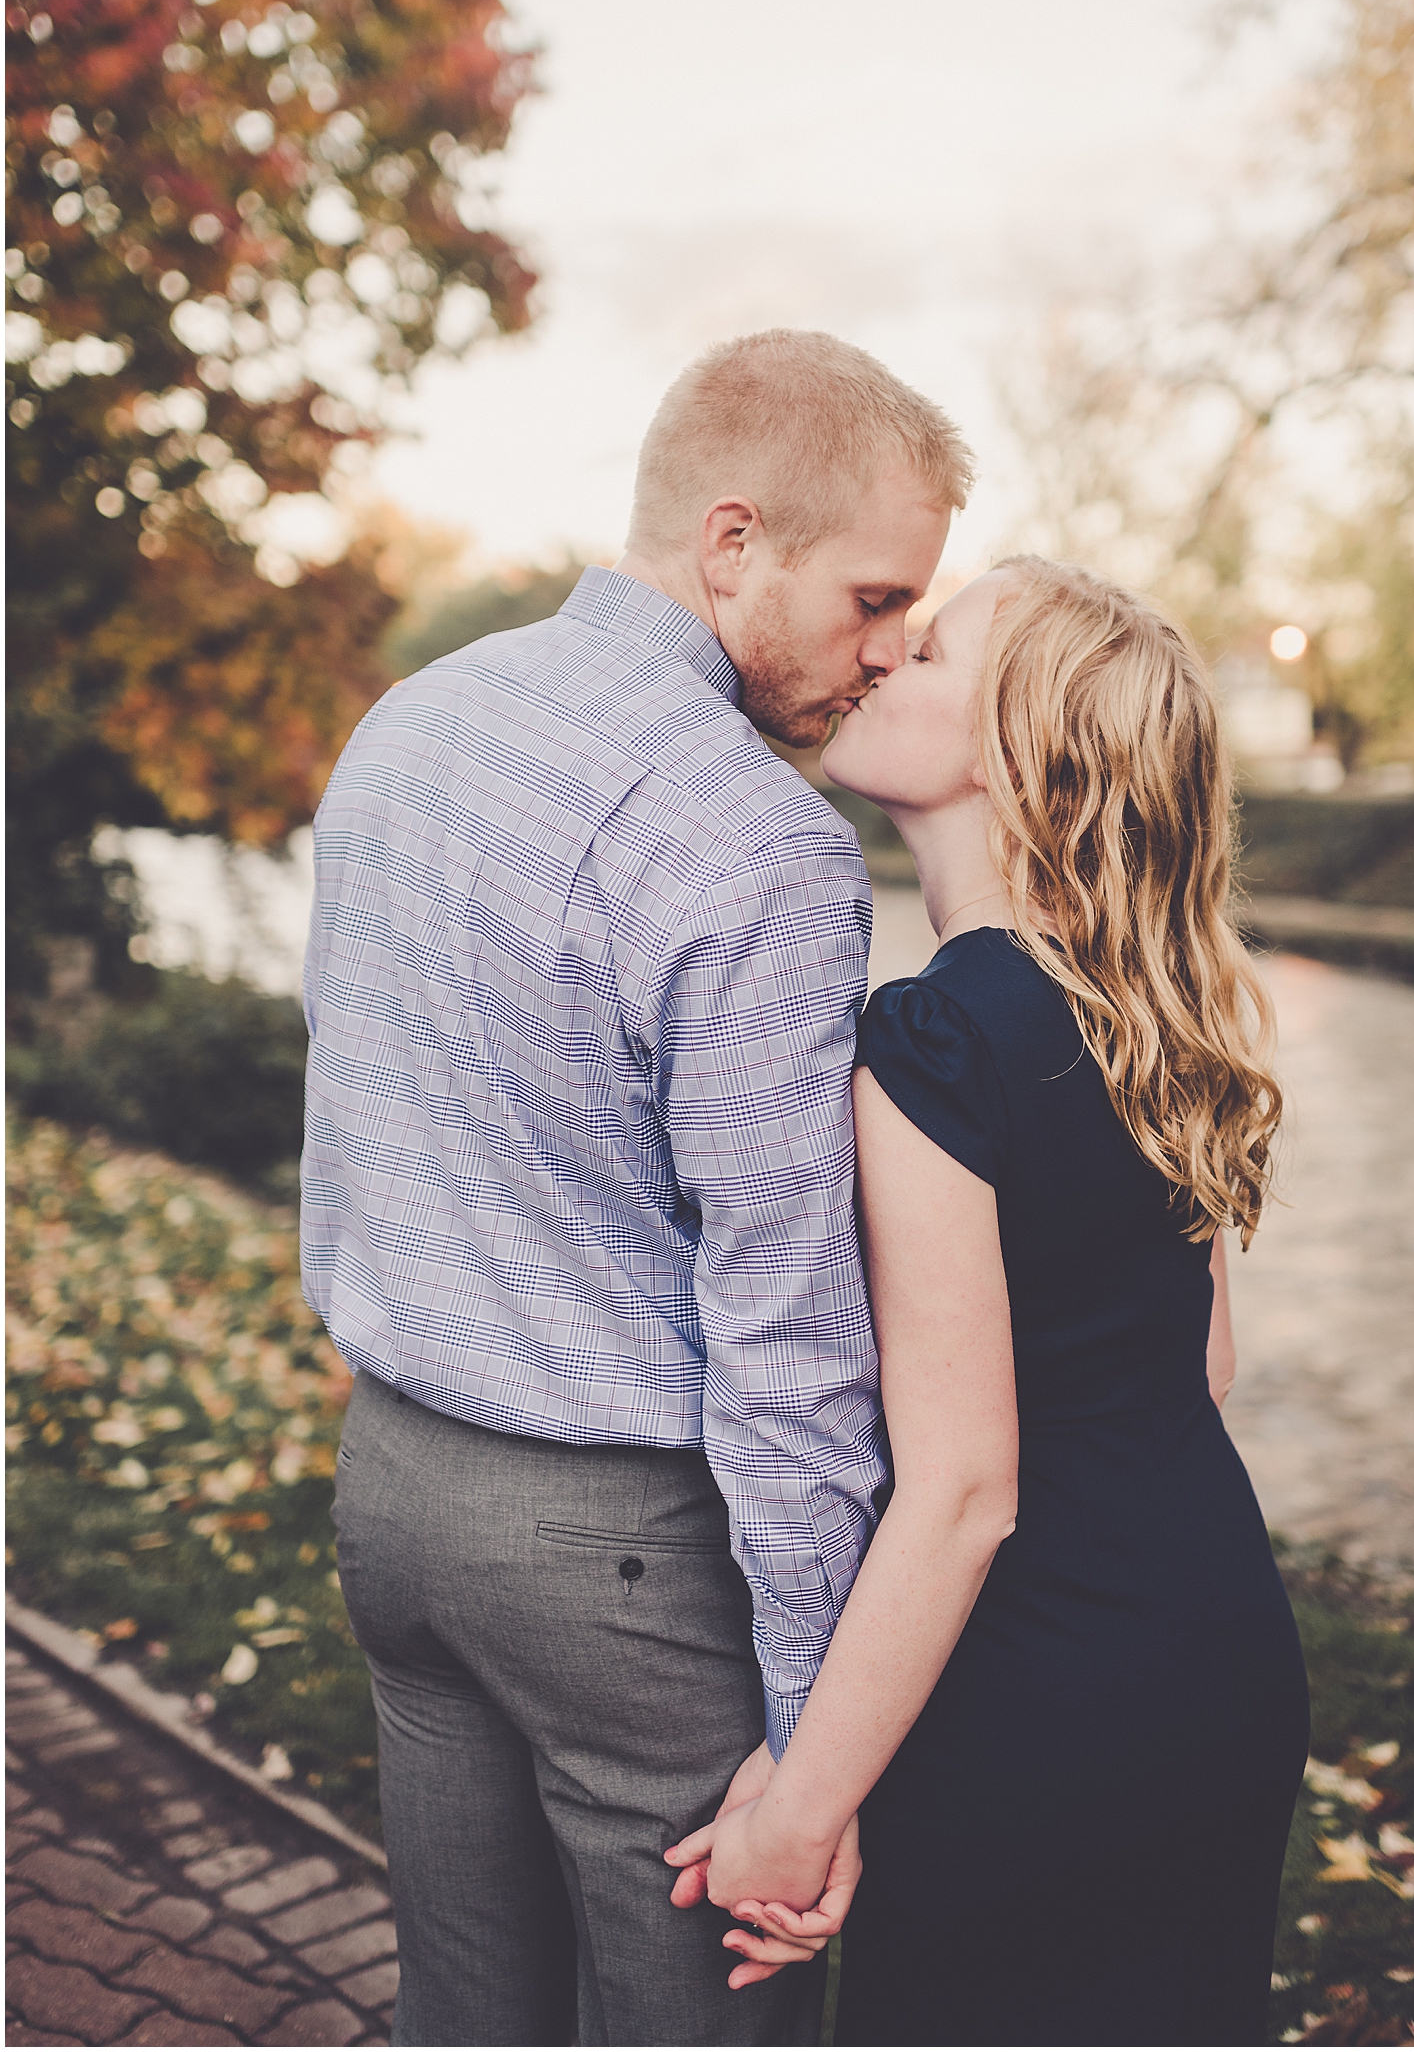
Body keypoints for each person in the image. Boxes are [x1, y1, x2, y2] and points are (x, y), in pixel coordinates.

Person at [300, 328, 971, 2046]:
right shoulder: (758, 843)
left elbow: (356, 1114)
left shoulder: (410, 720)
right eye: (875, 602)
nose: (886, 659)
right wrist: (816, 1758)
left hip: (395, 1494)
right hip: (617, 1562)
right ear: (734, 544)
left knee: (467, 2014)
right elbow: (788, 1328)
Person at [666, 558, 1310, 2048]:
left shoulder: (936, 1038)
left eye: (930, 646)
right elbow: (1200, 1369)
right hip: (1216, 1650)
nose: (884, 656)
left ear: (1014, 749)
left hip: (1037, 1698)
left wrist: (803, 1802)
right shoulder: (1162, 1017)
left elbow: (962, 1490)